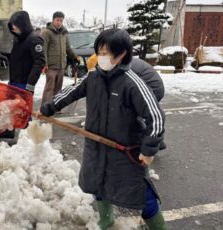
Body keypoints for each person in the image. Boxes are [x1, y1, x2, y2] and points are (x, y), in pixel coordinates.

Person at [40, 29, 167, 229]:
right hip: (96, 147)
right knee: (97, 183)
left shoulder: (132, 83)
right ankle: (105, 220)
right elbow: (70, 92)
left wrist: (149, 149)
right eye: (99, 51)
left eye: (106, 52)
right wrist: (49, 107)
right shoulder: (92, 77)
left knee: (142, 195)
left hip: (123, 151)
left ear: (122, 54)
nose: (101, 57)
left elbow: (156, 116)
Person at [87, 52, 167, 150]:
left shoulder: (122, 69)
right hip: (153, 84)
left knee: (130, 115)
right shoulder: (116, 62)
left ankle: (144, 144)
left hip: (153, 87)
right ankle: (158, 141)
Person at [0, 10, 45, 141]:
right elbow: (19, 58)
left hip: (24, 82)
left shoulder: (34, 39)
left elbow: (39, 62)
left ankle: (28, 138)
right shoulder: (18, 39)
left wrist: (30, 85)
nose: (13, 28)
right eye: (12, 26)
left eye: (15, 25)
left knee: (24, 111)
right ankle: (9, 130)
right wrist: (4, 55)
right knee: (11, 108)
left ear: (23, 24)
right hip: (14, 80)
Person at [41, 11, 80, 105]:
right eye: (57, 20)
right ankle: (45, 107)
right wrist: (44, 63)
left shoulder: (64, 33)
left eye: (61, 20)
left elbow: (68, 48)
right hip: (51, 66)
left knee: (58, 87)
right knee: (49, 87)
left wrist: (75, 57)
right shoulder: (47, 32)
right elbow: (44, 48)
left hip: (61, 65)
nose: (59, 22)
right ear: (53, 20)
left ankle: (55, 106)